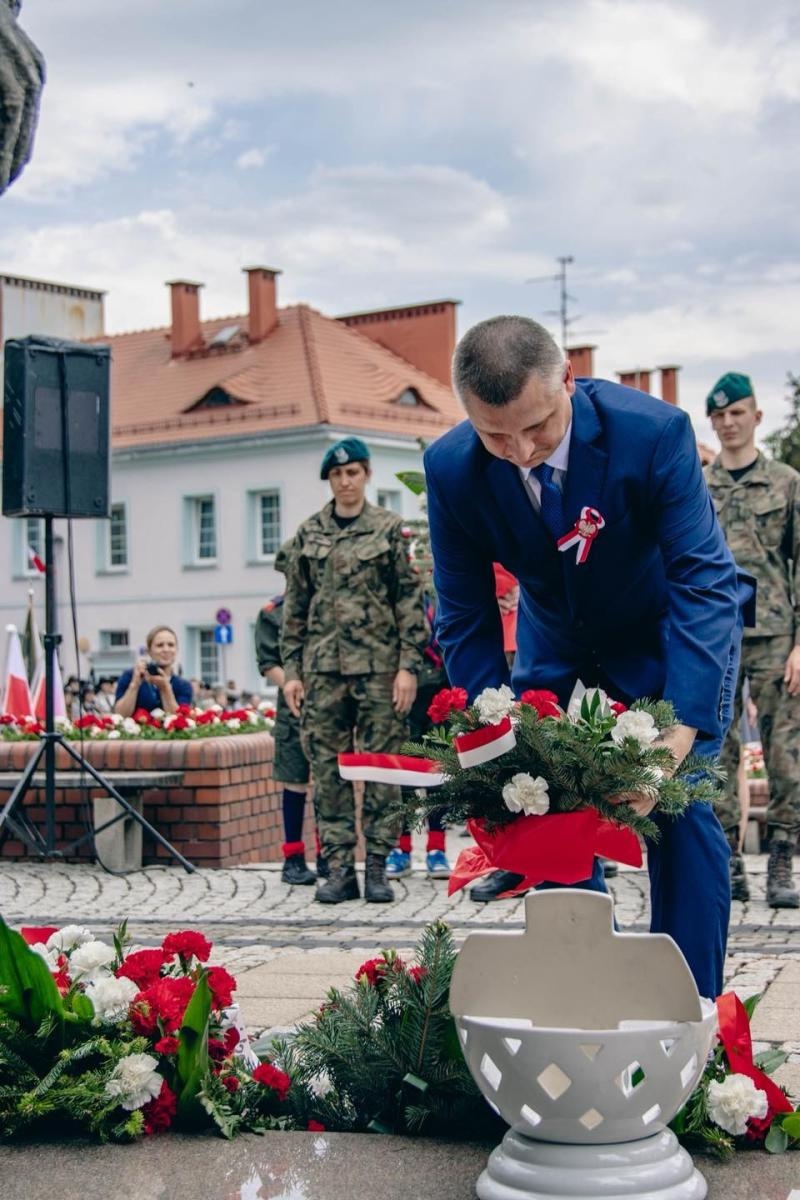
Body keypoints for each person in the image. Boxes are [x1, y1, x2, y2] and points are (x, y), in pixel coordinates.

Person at [424, 315, 751, 1001]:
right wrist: (492, 736)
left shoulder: (652, 434)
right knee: (541, 802)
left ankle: (687, 1011)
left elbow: (704, 581)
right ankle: (583, 990)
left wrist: (675, 736)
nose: (519, 452)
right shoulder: (451, 468)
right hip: (555, 639)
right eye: (494, 435)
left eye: (536, 427)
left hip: (663, 636)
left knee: (678, 810)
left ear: (567, 381)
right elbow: (464, 611)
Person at [282, 437, 427, 905]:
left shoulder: (389, 530)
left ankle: (379, 868)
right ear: (330, 480)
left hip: (380, 671)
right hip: (322, 672)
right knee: (328, 773)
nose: (345, 481)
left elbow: (410, 603)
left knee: (383, 769)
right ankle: (339, 869)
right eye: (337, 475)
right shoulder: (308, 535)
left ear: (366, 475)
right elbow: (295, 610)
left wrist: (408, 667)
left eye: (354, 473)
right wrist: (292, 672)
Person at [704, 372, 800, 908]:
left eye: (737, 412)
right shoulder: (700, 486)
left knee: (785, 754)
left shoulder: (787, 483)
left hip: (776, 635)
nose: (728, 422)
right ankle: (728, 862)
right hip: (716, 637)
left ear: (756, 416)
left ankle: (782, 858)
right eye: (718, 415)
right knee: (718, 750)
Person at [255, 539, 323, 886]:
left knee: (329, 779)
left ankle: (329, 853)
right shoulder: (273, 612)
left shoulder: (324, 608)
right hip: (294, 704)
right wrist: (293, 683)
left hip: (329, 703)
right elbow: (268, 662)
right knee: (295, 780)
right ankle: (293, 857)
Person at [386, 593, 451, 880]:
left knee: (440, 775)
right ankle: (401, 850)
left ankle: (437, 849)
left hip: (440, 686)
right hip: (402, 689)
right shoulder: (398, 589)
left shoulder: (444, 584)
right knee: (402, 775)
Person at [114, 625, 193, 716]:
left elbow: (179, 718)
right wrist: (135, 685)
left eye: (171, 645)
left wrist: (165, 688)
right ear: (149, 651)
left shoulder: (183, 685)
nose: (166, 649)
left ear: (176, 650)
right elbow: (120, 715)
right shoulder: (130, 676)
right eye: (160, 645)